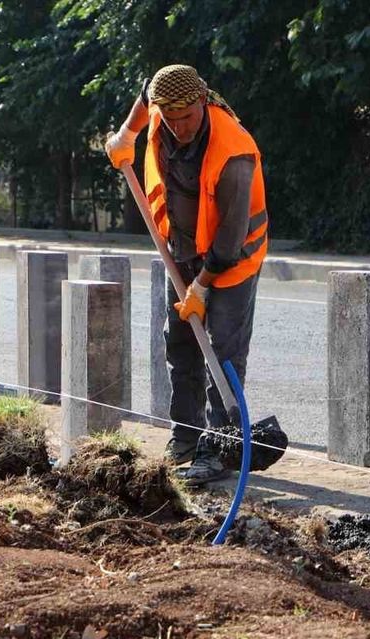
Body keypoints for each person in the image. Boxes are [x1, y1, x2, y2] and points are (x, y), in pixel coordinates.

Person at [105, 64, 269, 484]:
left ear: (203, 101)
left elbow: (229, 242)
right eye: (170, 118)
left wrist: (200, 286)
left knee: (223, 353)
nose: (178, 126)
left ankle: (216, 447)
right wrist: (127, 134)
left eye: (187, 117)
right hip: (179, 249)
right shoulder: (163, 108)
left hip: (230, 261)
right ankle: (186, 436)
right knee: (178, 341)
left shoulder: (234, 151)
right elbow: (146, 94)